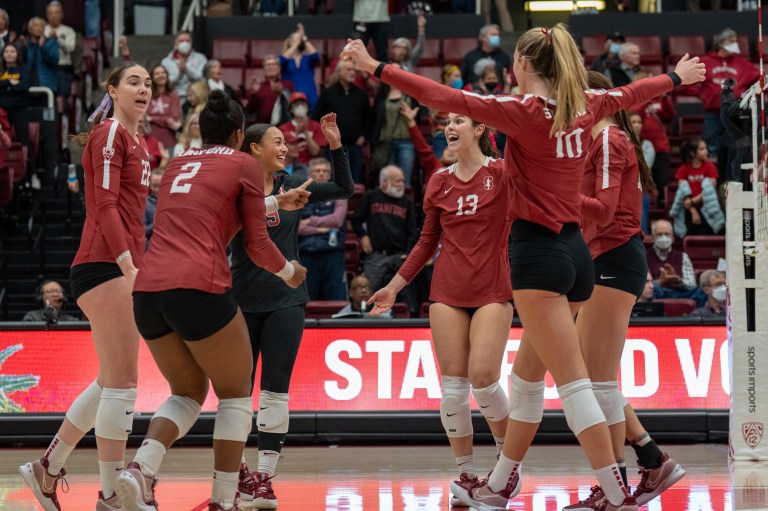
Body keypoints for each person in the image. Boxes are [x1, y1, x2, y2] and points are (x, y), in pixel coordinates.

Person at [342, 21, 705, 511]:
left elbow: (441, 95)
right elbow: (632, 92)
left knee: (578, 385)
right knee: (526, 381)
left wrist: (376, 67)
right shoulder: (587, 106)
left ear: (524, 65)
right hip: (577, 255)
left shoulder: (523, 113)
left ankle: (616, 492)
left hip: (538, 254)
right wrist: (676, 79)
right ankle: (500, 482)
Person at [114, 90, 307, 511]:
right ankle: (224, 499)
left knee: (186, 391)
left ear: (201, 129)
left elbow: (211, 208)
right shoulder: (243, 163)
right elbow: (256, 244)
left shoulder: (180, 161)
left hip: (149, 289)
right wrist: (290, 272)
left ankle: (141, 470)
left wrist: (273, 201)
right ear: (240, 134)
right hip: (198, 284)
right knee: (236, 394)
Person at [19, 61, 154, 510]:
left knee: (108, 382)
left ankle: (48, 467)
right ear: (112, 90)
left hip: (117, 263)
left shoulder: (141, 143)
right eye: (133, 81)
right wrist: (126, 262)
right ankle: (113, 494)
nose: (143, 88)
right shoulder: (110, 134)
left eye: (149, 83)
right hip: (104, 263)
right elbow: (106, 203)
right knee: (124, 383)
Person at [367, 108, 513, 508]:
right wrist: (394, 287)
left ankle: (507, 462)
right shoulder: (438, 181)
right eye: (447, 122)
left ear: (479, 129)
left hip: (492, 289)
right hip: (446, 290)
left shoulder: (502, 173)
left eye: (459, 121)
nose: (449, 127)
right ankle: (466, 474)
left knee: (483, 379)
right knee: (452, 393)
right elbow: (426, 242)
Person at [563, 70, 684, 510]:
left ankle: (615, 489)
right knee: (597, 382)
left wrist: (555, 196)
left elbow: (603, 209)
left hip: (615, 259)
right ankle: (649, 462)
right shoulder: (595, 143)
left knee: (594, 384)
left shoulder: (609, 141)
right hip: (603, 260)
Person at [233, 113, 353, 509]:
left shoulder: (293, 184)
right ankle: (237, 474)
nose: (285, 148)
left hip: (286, 299)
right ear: (254, 148)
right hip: (239, 299)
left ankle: (265, 479)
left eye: (286, 142)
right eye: (277, 141)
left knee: (275, 390)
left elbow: (343, 188)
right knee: (235, 395)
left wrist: (335, 144)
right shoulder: (235, 188)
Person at [679, 28, 759, 178]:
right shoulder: (706, 62)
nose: (735, 44)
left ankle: (732, 181)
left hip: (735, 116)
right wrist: (702, 94)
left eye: (735, 41)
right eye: (731, 41)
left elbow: (759, 80)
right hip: (714, 115)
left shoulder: (743, 64)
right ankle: (714, 181)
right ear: (720, 43)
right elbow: (688, 83)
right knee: (711, 148)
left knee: (736, 149)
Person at [351, 165, 419, 293]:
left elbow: (413, 230)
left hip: (399, 257)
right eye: (397, 180)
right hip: (376, 257)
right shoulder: (371, 196)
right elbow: (356, 220)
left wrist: (408, 253)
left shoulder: (406, 202)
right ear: (385, 181)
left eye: (403, 181)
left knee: (401, 295)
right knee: (371, 294)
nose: (402, 184)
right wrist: (363, 236)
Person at [298, 157, 350, 300]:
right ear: (309, 174)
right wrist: (321, 229)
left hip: (332, 254)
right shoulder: (299, 195)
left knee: (336, 302)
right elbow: (296, 228)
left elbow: (336, 220)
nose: (321, 174)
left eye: (325, 171)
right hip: (305, 254)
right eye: (317, 171)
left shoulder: (340, 194)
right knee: (306, 302)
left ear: (329, 175)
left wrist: (311, 221)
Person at [312, 59, 372, 183]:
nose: (352, 73)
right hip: (333, 145)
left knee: (354, 182)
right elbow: (316, 116)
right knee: (334, 181)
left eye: (353, 70)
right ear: (339, 72)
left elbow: (370, 119)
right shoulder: (328, 94)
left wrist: (364, 137)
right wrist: (326, 137)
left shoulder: (361, 94)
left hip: (355, 146)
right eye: (348, 69)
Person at [371, 63, 417, 185]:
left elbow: (418, 114)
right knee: (389, 181)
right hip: (386, 142)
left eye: (398, 70)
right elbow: (374, 118)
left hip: (406, 140)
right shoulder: (381, 95)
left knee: (404, 181)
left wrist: (412, 115)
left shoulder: (410, 93)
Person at [280, 23, 320, 111]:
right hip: (290, 99)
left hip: (309, 97)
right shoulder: (286, 60)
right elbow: (281, 60)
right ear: (290, 42)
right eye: (296, 39)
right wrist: (295, 44)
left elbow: (315, 56)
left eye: (300, 39)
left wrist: (304, 38)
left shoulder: (307, 59)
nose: (300, 41)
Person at [278, 92, 326, 166]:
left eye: (303, 104)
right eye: (296, 105)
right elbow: (281, 152)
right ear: (291, 110)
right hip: (290, 167)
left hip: (311, 167)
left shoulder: (317, 126)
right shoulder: (283, 128)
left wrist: (305, 131)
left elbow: (316, 152)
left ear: (308, 108)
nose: (300, 107)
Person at [245, 54, 295, 125]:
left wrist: (282, 92)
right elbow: (249, 111)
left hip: (284, 127)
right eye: (268, 65)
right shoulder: (259, 86)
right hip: (263, 127)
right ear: (264, 69)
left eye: (273, 64)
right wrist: (254, 94)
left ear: (279, 68)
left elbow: (293, 105)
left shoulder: (287, 84)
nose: (271, 67)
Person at [161, 31, 208, 103]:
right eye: (181, 41)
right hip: (175, 98)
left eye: (187, 41)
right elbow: (165, 84)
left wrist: (187, 69)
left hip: (197, 98)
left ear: (191, 43)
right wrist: (179, 75)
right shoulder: (166, 62)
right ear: (175, 43)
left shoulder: (201, 58)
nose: (185, 43)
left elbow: (202, 79)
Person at [44, 1, 75, 104]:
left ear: (61, 14)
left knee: (62, 99)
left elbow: (70, 48)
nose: (54, 16)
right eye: (51, 13)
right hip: (46, 69)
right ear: (47, 15)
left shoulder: (69, 31)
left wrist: (58, 39)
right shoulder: (43, 30)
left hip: (62, 69)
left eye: (56, 13)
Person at [0, 43, 30, 147]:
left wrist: (5, 89)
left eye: (12, 51)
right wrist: (9, 82)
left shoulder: (23, 69)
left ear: (17, 54)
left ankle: (28, 162)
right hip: (2, 109)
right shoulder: (1, 69)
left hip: (19, 108)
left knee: (23, 138)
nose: (9, 54)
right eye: (6, 51)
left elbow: (24, 86)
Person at [147, 64, 182, 150]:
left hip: (169, 141)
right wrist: (163, 119)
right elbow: (144, 117)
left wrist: (152, 119)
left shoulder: (173, 96)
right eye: (157, 73)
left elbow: (173, 119)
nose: (161, 75)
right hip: (150, 140)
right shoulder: (147, 96)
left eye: (163, 73)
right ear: (152, 78)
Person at [144, 167, 163, 249]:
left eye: (159, 186)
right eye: (154, 186)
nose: (156, 189)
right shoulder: (145, 203)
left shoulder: (171, 202)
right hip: (152, 248)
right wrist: (156, 222)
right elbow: (143, 231)